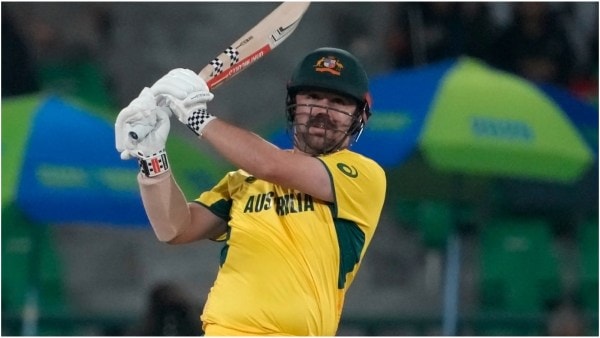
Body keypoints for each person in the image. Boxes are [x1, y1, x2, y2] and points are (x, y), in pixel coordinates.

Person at [114, 47, 386, 335]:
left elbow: (270, 165)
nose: (322, 111)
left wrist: (197, 118)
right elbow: (174, 228)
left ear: (359, 115)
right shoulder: (243, 180)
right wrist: (152, 156)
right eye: (313, 97)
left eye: (338, 102)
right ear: (294, 102)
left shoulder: (362, 175)